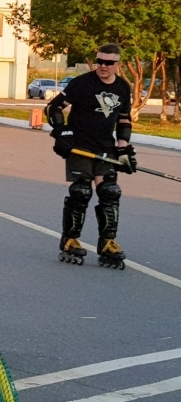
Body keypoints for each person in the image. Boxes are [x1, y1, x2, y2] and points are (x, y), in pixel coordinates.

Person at [45, 43, 134, 269]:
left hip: (105, 147)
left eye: (108, 63)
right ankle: (70, 240)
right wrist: (62, 133)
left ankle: (107, 242)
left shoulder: (123, 87)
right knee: (81, 191)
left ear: (118, 65)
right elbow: (54, 108)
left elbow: (124, 119)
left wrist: (123, 149)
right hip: (80, 147)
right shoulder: (82, 84)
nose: (103, 66)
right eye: (99, 61)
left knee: (110, 192)